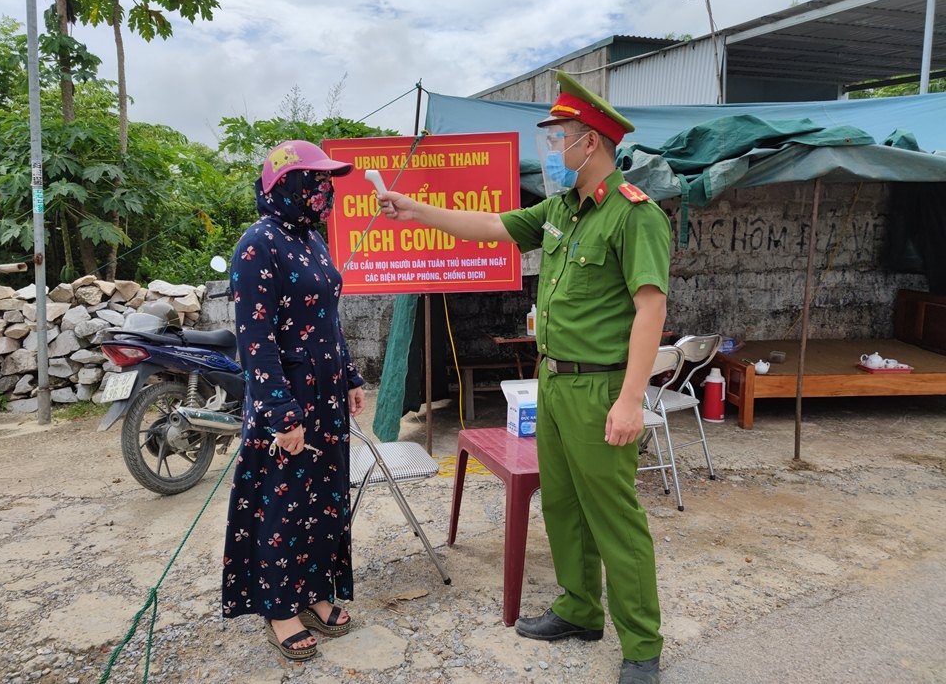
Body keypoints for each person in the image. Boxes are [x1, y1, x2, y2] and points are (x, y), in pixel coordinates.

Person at [377, 71, 671, 684]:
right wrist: (415, 209)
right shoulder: (562, 209)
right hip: (554, 384)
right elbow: (490, 227)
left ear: (589, 142)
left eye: (556, 138)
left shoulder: (632, 215)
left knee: (614, 517)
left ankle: (642, 646)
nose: (550, 152)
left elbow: (651, 308)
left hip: (600, 388)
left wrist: (630, 401)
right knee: (562, 506)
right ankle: (579, 609)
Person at [221, 140, 366, 662]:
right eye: (316, 181)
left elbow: (329, 316)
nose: (325, 191)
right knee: (283, 504)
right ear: (285, 184)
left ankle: (316, 591)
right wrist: (281, 413)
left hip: (327, 397)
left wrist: (349, 374)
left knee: (324, 498)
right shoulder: (257, 244)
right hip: (287, 400)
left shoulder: (313, 238)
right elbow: (254, 339)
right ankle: (280, 607)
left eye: (328, 181)